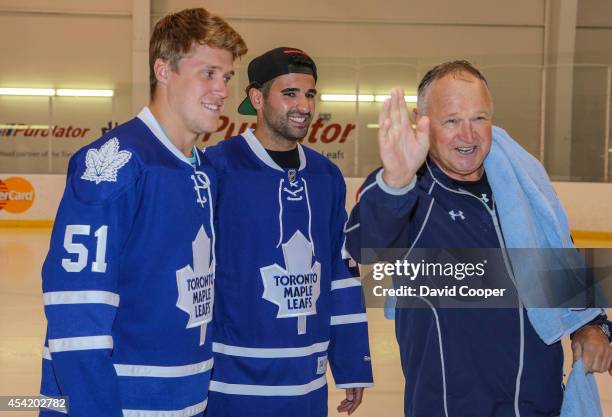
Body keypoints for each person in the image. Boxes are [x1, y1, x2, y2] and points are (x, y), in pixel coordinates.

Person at [346, 61, 612, 417]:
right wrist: (395, 184)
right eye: (452, 120)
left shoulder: (522, 184)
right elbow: (367, 243)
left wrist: (591, 325)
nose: (468, 136)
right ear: (420, 120)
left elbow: (556, 257)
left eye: (479, 118)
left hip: (538, 404)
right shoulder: (411, 190)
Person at [38, 8, 246, 417]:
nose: (222, 90)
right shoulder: (113, 164)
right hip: (121, 402)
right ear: (163, 70)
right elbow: (76, 314)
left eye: (227, 76)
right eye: (208, 73)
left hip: (187, 398)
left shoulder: (202, 169)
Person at [203, 47, 373, 417]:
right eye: (290, 93)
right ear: (257, 98)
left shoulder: (326, 176)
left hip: (306, 380)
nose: (305, 106)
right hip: (230, 378)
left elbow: (341, 272)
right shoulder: (217, 168)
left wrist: (351, 361)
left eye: (310, 94)